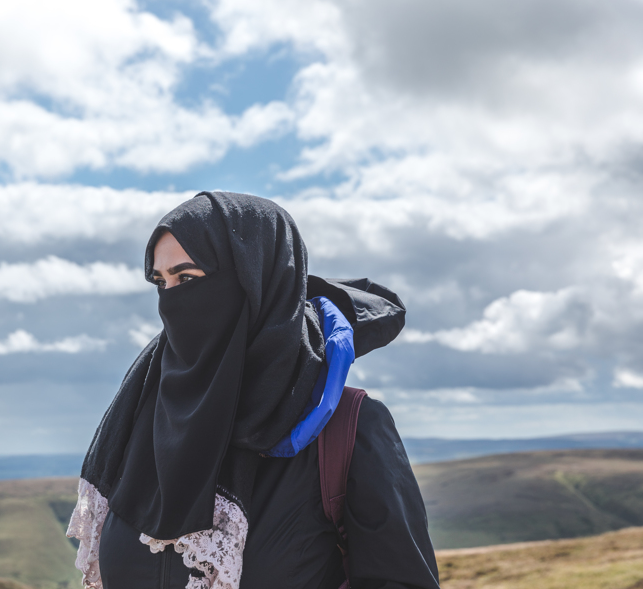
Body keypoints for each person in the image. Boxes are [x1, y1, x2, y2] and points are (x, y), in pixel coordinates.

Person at [68, 191, 440, 589]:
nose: (171, 301)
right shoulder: (142, 417)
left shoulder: (350, 428)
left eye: (188, 278)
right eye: (162, 282)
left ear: (254, 281)